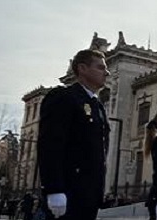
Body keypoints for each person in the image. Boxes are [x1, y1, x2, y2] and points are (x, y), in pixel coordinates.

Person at [37, 49, 110, 220]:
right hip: (68, 191)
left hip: (88, 194)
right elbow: (50, 145)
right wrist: (54, 189)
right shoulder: (64, 97)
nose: (106, 72)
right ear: (82, 68)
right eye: (100, 67)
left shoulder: (97, 106)